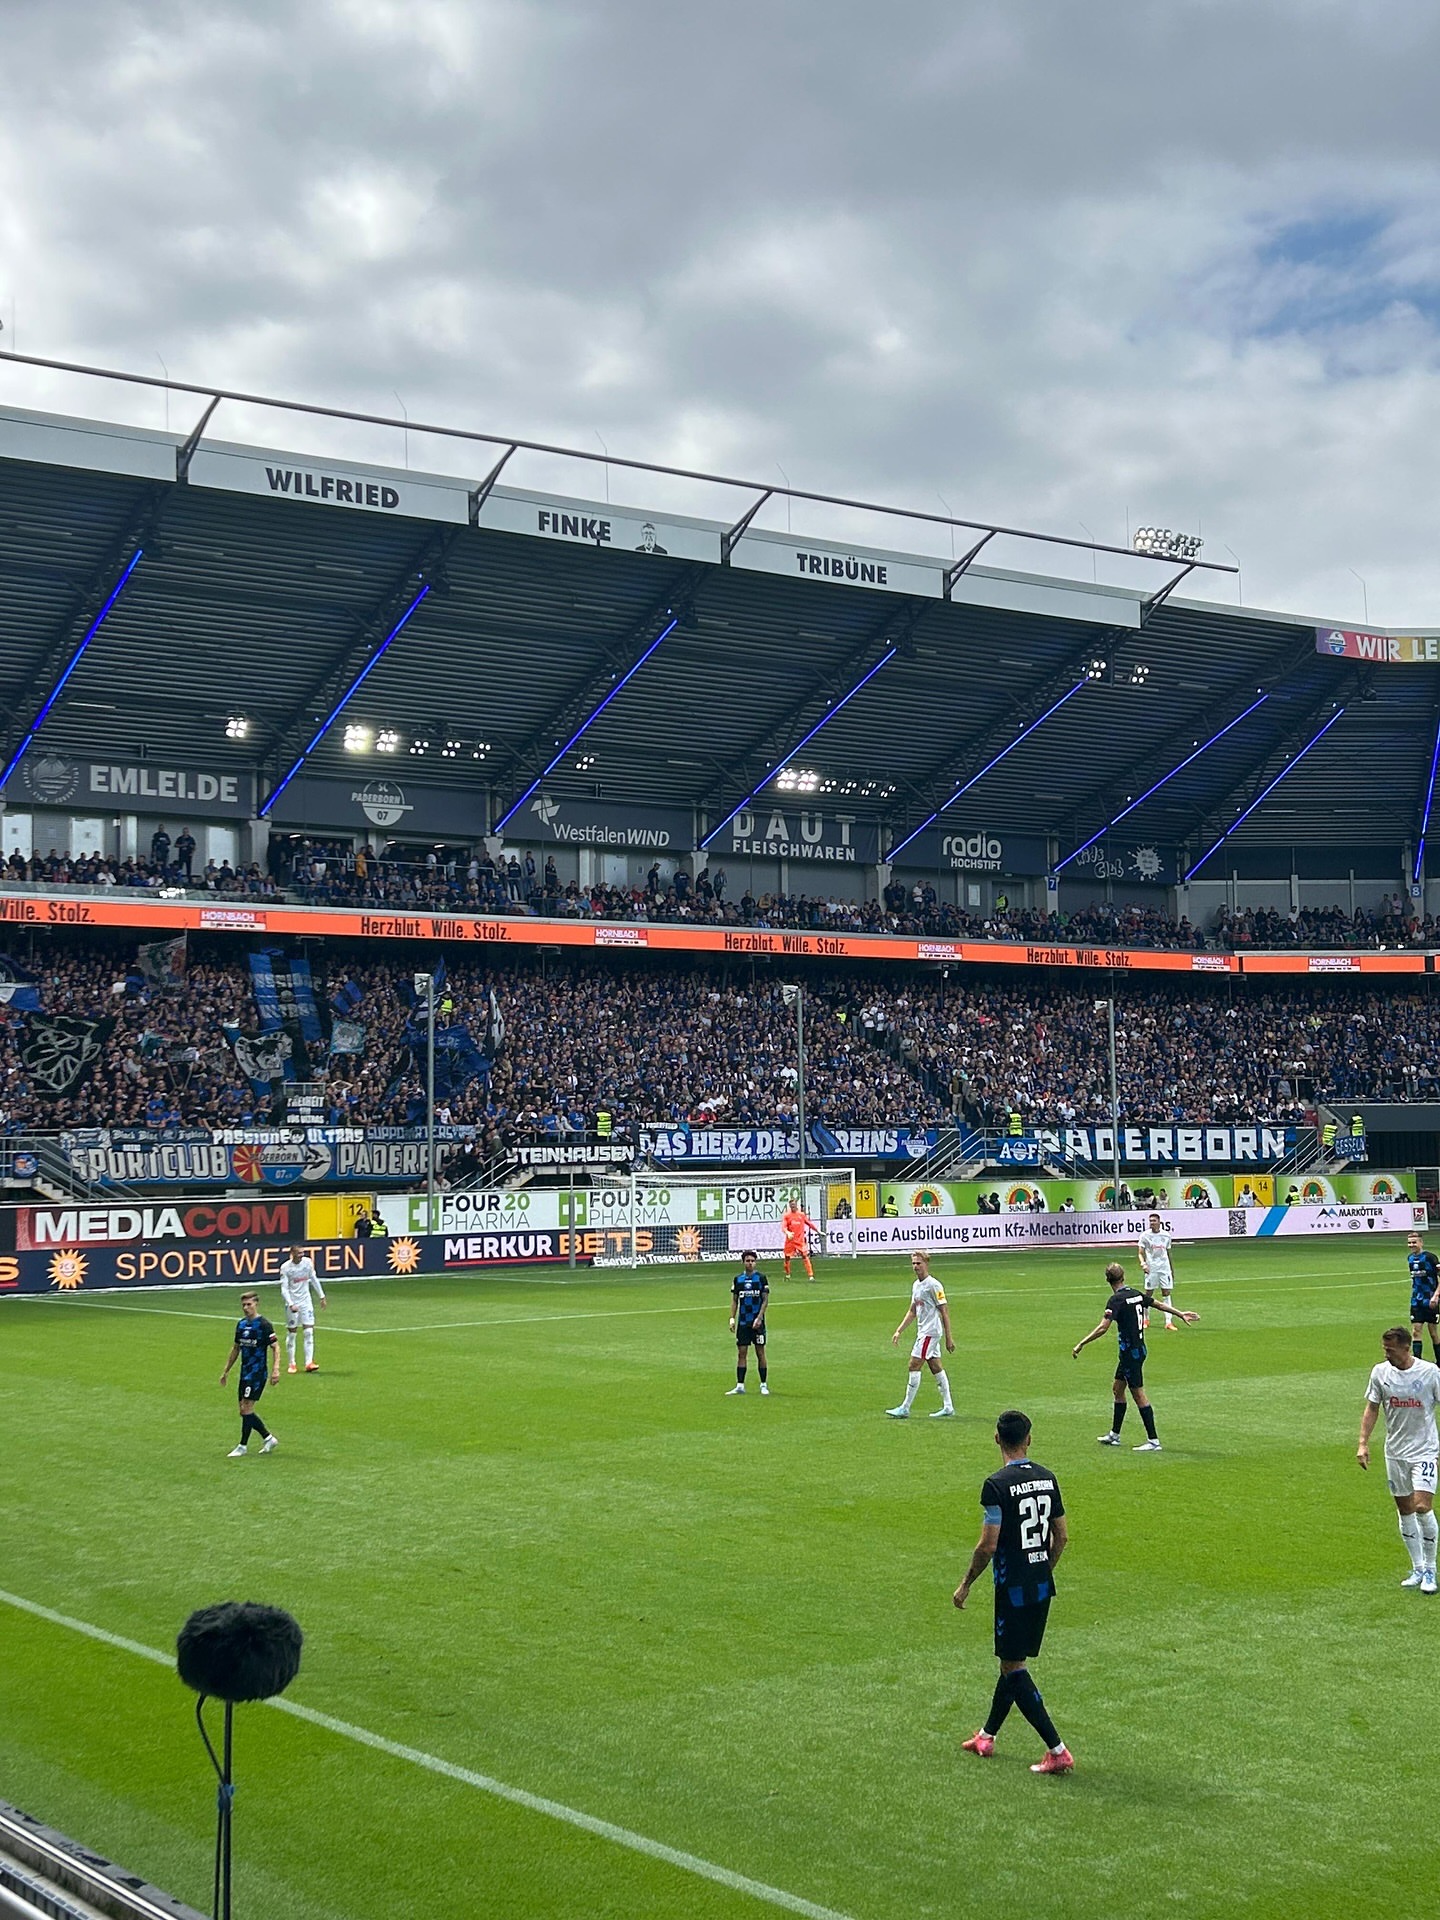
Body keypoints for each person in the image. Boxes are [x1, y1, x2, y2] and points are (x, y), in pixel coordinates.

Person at [954, 1408, 1073, 1773]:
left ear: (996, 1438)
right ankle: (987, 1736)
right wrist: (1043, 1568)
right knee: (1012, 1661)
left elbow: (988, 1545)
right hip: (1041, 1584)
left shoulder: (996, 1485)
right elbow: (1062, 1536)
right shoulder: (1047, 1478)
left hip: (1012, 1588)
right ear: (1029, 1439)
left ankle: (1057, 1751)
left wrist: (965, 1584)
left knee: (1013, 1665)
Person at [1073, 1261, 1198, 1452]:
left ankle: (1154, 1441)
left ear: (1108, 1281)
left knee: (1138, 1394)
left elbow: (1103, 1327)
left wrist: (1082, 1342)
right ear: (1123, 1277)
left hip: (1130, 1353)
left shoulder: (1116, 1301)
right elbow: (1157, 1304)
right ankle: (1115, 1435)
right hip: (1136, 1351)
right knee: (1117, 1389)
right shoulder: (1135, 1294)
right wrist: (1179, 1313)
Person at [1358, 1325, 1440, 1593]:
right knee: (1404, 1509)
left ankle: (1430, 1569)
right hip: (1395, 1452)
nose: (1386, 1354)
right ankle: (1416, 1568)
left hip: (1425, 1450)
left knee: (1421, 1506)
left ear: (1406, 1347)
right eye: (1384, 1349)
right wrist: (1363, 1443)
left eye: (1390, 1350)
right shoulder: (1380, 1373)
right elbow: (1372, 1408)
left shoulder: (1430, 1373)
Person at [887, 1251, 955, 1418]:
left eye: (918, 1263)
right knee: (935, 1366)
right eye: (913, 1263)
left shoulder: (934, 1285)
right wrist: (899, 1330)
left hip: (930, 1333)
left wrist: (949, 1337)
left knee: (914, 1364)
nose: (915, 1266)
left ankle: (905, 1407)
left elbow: (944, 1311)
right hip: (924, 1331)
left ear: (926, 1264)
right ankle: (948, 1406)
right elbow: (912, 1311)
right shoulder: (916, 1285)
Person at [220, 1290, 280, 1456]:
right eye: (243, 1305)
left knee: (246, 1408)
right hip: (245, 1372)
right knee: (243, 1410)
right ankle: (268, 1438)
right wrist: (226, 1371)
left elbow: (275, 1347)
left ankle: (242, 1446)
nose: (246, 1308)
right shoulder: (241, 1325)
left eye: (249, 1304)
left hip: (257, 1373)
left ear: (256, 1304)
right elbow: (236, 1348)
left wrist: (276, 1369)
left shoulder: (264, 1325)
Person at [726, 1249, 770, 1397]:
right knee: (741, 1353)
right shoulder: (738, 1280)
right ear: (743, 1262)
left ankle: (763, 1385)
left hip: (757, 1324)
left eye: (752, 1261)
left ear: (755, 1262)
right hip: (743, 1323)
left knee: (760, 1352)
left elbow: (765, 1300)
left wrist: (759, 1318)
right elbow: (735, 1300)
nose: (750, 1263)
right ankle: (740, 1385)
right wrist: (732, 1318)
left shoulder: (761, 1279)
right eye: (747, 1261)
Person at [278, 1244, 327, 1373]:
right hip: (293, 1303)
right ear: (292, 1254)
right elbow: (284, 1288)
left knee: (309, 1332)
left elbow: (313, 1278)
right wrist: (290, 1303)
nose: (301, 1255)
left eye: (302, 1253)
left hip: (306, 1302)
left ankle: (309, 1362)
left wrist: (321, 1296)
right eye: (299, 1253)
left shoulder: (307, 1263)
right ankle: (292, 1363)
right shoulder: (285, 1268)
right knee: (292, 1333)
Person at [1137, 1212, 1176, 1331]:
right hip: (1151, 1268)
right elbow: (1140, 1252)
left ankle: (1168, 1321)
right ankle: (1145, 1319)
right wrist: (1143, 1263)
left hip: (1164, 1268)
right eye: (1150, 1221)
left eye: (1154, 1221)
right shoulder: (1145, 1236)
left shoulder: (1166, 1235)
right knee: (1148, 1294)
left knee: (1166, 1292)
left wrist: (1172, 1269)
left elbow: (1168, 1253)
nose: (1152, 1223)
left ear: (1159, 1222)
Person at [1406, 1232, 1440, 1365]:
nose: (1411, 1245)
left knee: (1433, 1333)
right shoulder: (1409, 1259)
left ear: (1421, 1242)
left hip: (1430, 1300)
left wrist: (1436, 1295)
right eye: (1409, 1242)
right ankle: (1418, 1363)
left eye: (1414, 1242)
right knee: (1416, 1331)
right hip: (1416, 1300)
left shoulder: (1430, 1258)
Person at [781, 1199, 819, 1280]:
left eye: (794, 1204)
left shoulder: (801, 1215)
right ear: (790, 1206)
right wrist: (787, 1232)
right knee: (787, 1257)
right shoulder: (787, 1216)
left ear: (796, 1205)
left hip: (800, 1241)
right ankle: (787, 1274)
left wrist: (817, 1231)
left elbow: (809, 1223)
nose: (793, 1206)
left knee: (805, 1256)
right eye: (791, 1205)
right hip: (790, 1241)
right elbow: (783, 1227)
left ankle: (811, 1276)